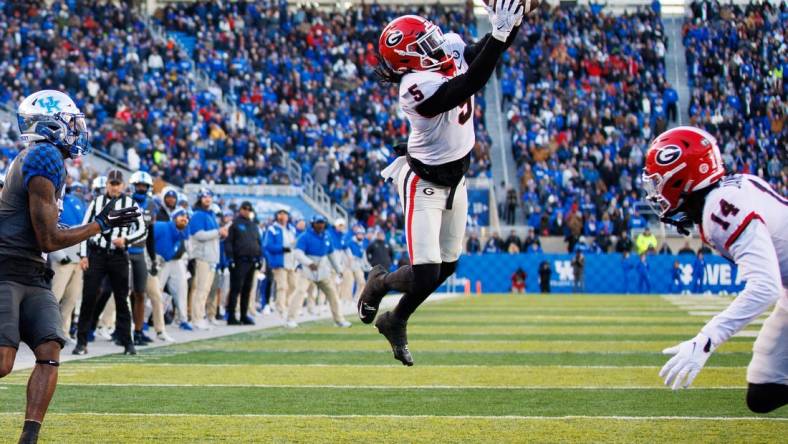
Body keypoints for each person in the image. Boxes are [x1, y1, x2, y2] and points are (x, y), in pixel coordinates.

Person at [359, 0, 527, 366]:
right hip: (423, 182)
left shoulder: (442, 53)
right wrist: (500, 34)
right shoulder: (413, 86)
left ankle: (395, 318)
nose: (434, 44)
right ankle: (381, 283)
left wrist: (511, 21)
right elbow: (470, 82)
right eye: (423, 44)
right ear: (407, 59)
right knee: (427, 272)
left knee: (448, 267)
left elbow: (483, 52)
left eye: (430, 37)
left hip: (456, 179)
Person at [0, 89, 138, 443]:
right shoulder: (44, 155)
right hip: (7, 267)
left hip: (32, 271)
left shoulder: (44, 158)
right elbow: (47, 238)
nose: (76, 129)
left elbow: (44, 234)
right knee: (3, 360)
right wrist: (101, 224)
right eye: (70, 122)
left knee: (49, 350)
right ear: (50, 124)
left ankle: (28, 438)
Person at [643, 125, 787, 413]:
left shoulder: (718, 208)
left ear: (681, 177)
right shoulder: (729, 192)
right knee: (764, 390)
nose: (655, 192)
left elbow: (765, 287)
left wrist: (706, 340)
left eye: (658, 182)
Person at [75, 169, 146, 356]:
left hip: (118, 255)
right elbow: (85, 229)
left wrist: (127, 240)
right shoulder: (96, 202)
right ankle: (81, 342)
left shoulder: (130, 203)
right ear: (107, 184)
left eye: (117, 184)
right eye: (111, 183)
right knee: (89, 297)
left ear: (123, 185)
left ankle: (127, 342)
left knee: (122, 299)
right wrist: (83, 255)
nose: (114, 187)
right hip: (97, 254)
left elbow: (142, 230)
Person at [293, 215, 352, 328]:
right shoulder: (305, 236)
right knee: (300, 292)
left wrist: (338, 269)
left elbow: (331, 255)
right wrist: (308, 262)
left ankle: (339, 320)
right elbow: (297, 253)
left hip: (322, 269)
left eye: (322, 223)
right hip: (307, 269)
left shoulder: (327, 236)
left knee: (333, 294)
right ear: (313, 224)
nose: (320, 225)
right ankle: (290, 319)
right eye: (318, 223)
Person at [50, 182, 87, 342]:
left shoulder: (81, 204)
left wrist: (85, 255)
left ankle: (63, 332)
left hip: (78, 257)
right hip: (63, 256)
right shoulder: (57, 202)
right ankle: (47, 332)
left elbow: (85, 231)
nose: (78, 192)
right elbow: (50, 230)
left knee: (72, 298)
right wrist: (59, 255)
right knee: (54, 297)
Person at [188, 189, 227, 330]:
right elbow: (198, 234)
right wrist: (218, 232)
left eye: (209, 196)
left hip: (211, 257)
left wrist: (220, 234)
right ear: (200, 199)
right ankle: (196, 318)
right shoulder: (198, 214)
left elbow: (212, 236)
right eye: (204, 197)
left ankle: (200, 316)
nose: (207, 199)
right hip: (202, 256)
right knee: (200, 288)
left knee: (205, 290)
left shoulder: (210, 215)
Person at [127, 171, 157, 345]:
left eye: (144, 186)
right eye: (138, 185)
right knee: (124, 294)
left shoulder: (152, 205)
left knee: (140, 293)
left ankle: (138, 331)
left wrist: (152, 258)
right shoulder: (124, 201)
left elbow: (151, 235)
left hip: (139, 254)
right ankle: (121, 330)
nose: (141, 188)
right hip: (123, 252)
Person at [225, 201, 262, 325]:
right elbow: (229, 242)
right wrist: (230, 258)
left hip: (252, 261)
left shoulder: (253, 225)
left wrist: (259, 258)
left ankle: (243, 315)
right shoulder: (234, 224)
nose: (246, 211)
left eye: (249, 209)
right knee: (236, 289)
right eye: (244, 208)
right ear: (240, 210)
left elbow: (258, 242)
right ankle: (231, 316)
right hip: (239, 261)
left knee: (247, 289)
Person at [154, 208, 191, 330]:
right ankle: (144, 319)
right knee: (155, 290)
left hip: (176, 260)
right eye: (181, 217)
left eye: (186, 218)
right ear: (174, 218)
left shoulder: (183, 230)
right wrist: (152, 257)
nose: (184, 220)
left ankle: (183, 319)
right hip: (160, 260)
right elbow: (148, 238)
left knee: (181, 288)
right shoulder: (161, 227)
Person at [264, 209, 298, 327]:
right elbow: (268, 246)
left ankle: (286, 304)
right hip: (280, 262)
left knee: (293, 286)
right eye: (280, 214)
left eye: (285, 214)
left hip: (291, 262)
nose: (283, 216)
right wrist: (282, 248)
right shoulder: (272, 229)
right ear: (277, 216)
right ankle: (281, 310)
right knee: (282, 286)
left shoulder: (291, 229)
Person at [346, 225, 368, 301]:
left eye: (362, 234)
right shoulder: (350, 242)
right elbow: (349, 256)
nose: (361, 236)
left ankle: (357, 298)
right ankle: (347, 300)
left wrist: (367, 266)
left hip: (358, 266)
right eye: (359, 234)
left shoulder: (362, 244)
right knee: (349, 284)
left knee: (362, 283)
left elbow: (364, 258)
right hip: (349, 266)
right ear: (356, 234)